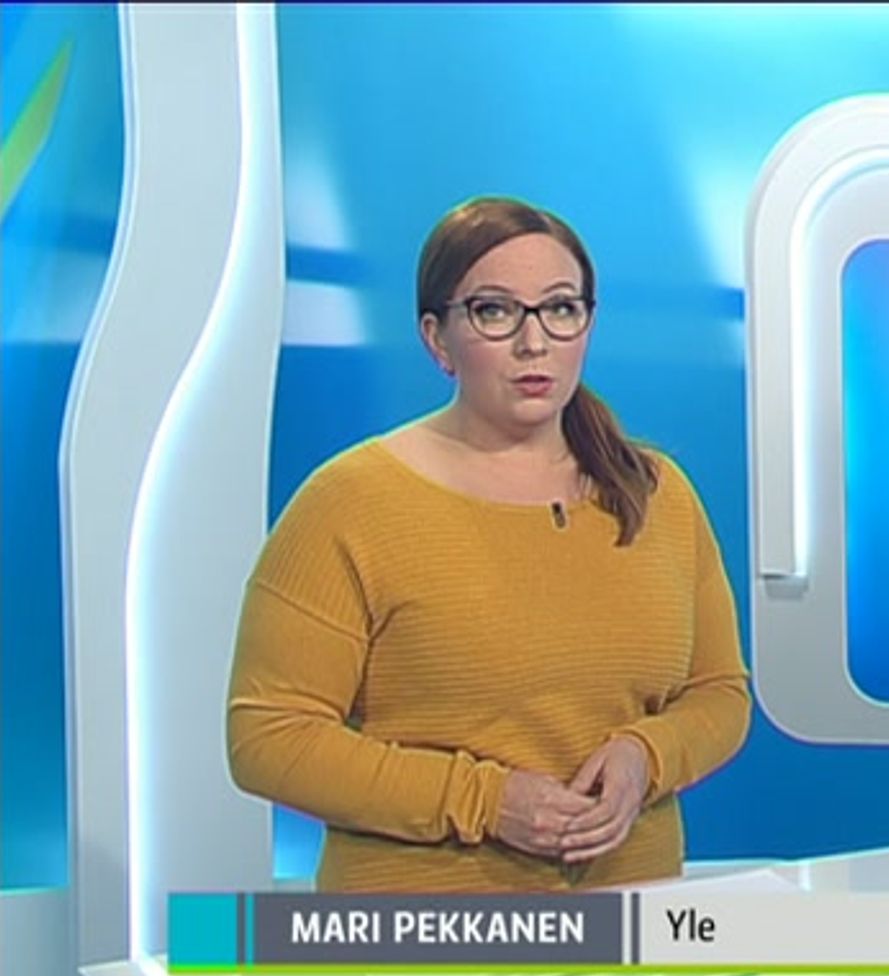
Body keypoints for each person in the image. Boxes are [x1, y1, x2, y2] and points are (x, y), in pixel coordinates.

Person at [227, 196, 750, 892]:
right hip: (424, 934)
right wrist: (485, 802)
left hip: (631, 922)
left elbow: (720, 695)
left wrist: (645, 756)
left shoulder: (657, 493)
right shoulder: (350, 503)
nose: (534, 342)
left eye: (560, 308)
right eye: (495, 312)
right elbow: (269, 739)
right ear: (437, 338)